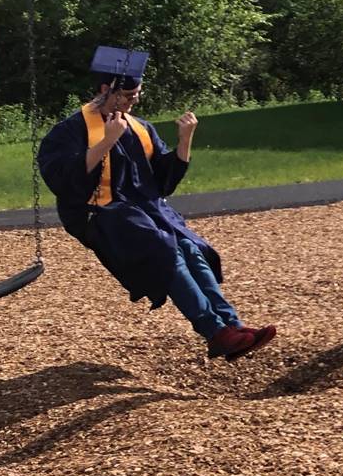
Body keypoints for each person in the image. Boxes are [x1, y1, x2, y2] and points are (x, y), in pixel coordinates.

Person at [36, 45, 275, 360]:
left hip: (146, 211)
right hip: (100, 215)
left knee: (190, 247)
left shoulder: (140, 128)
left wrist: (184, 141)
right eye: (126, 96)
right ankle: (215, 332)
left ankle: (232, 326)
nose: (132, 102)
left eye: (136, 96)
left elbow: (163, 181)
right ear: (105, 90)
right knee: (164, 249)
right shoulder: (70, 131)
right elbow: (65, 181)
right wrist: (107, 139)